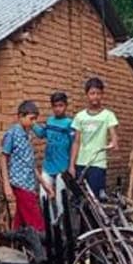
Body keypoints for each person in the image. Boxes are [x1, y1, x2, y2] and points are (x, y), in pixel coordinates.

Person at [0, 100, 53, 233]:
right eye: (31, 119)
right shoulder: (12, 134)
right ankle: (42, 250)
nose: (34, 122)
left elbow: (30, 163)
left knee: (21, 219)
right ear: (20, 116)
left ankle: (15, 246)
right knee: (36, 222)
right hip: (19, 183)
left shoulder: (28, 135)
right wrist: (6, 185)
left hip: (29, 184)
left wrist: (44, 184)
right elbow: (3, 157)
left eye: (35, 119)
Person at [69, 77, 119, 197]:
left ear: (102, 95)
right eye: (92, 93)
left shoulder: (108, 115)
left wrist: (113, 143)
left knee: (96, 199)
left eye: (98, 93)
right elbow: (76, 142)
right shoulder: (79, 117)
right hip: (81, 163)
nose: (95, 96)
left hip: (98, 163)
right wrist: (71, 165)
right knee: (81, 199)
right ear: (87, 95)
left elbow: (114, 137)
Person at [33, 92, 75, 222]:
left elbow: (75, 144)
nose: (58, 108)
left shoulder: (70, 123)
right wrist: (32, 123)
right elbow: (41, 134)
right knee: (43, 197)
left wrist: (72, 165)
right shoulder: (50, 121)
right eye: (55, 106)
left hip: (63, 167)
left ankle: (62, 227)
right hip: (48, 165)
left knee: (60, 199)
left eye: (61, 105)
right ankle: (51, 224)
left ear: (66, 106)